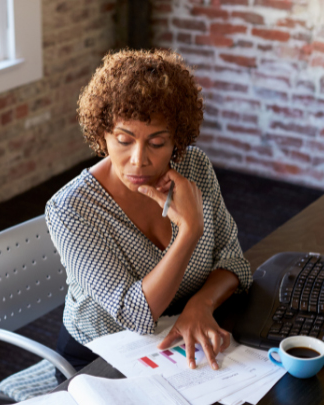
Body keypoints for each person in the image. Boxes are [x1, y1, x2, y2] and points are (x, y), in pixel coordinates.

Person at [45, 49, 252, 382]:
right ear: (102, 136)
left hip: (182, 331)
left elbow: (233, 260)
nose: (138, 160)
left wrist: (200, 304)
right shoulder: (70, 209)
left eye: (157, 142)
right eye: (124, 140)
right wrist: (190, 230)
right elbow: (136, 314)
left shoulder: (195, 167)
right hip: (100, 355)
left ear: (177, 142)